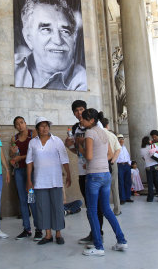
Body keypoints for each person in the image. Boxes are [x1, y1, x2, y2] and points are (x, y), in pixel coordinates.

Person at [15, 0, 86, 91]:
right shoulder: (11, 68)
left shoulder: (82, 81)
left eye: (65, 31)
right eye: (46, 29)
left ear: (74, 39)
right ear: (28, 38)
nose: (58, 41)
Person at [80, 108, 128, 256]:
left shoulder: (89, 133)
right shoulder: (104, 132)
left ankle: (99, 246)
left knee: (92, 211)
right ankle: (121, 241)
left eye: (83, 118)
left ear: (91, 120)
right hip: (105, 174)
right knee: (106, 209)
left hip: (94, 175)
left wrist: (78, 147)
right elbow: (109, 154)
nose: (81, 120)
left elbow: (88, 156)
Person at [64, 99, 104, 245]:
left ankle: (98, 233)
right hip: (82, 171)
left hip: (95, 170)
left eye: (81, 109)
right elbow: (77, 151)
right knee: (89, 204)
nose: (79, 113)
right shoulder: (75, 128)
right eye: (76, 111)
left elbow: (101, 144)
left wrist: (79, 144)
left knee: (98, 205)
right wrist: (69, 146)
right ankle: (94, 232)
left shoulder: (95, 125)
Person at [26, 117, 71, 245]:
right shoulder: (33, 143)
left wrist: (69, 175)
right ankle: (47, 235)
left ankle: (58, 234)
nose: (45, 128)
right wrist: (29, 180)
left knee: (57, 207)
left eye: (47, 126)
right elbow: (29, 161)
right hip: (39, 181)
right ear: (37, 128)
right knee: (42, 208)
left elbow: (64, 159)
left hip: (55, 180)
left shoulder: (56, 141)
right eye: (42, 126)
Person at [10, 116, 42, 241]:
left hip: (31, 171)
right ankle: (26, 229)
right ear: (15, 127)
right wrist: (13, 155)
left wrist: (20, 157)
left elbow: (35, 153)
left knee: (31, 198)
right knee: (22, 200)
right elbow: (12, 155)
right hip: (19, 170)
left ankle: (38, 229)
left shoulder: (32, 134)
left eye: (22, 122)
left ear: (25, 123)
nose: (20, 125)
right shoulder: (14, 138)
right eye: (17, 124)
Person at [100, 117, 122, 215]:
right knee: (114, 187)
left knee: (102, 187)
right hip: (112, 163)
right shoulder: (112, 135)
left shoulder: (98, 134)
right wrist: (113, 160)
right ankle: (117, 209)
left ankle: (104, 209)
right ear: (107, 125)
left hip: (101, 163)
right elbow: (118, 149)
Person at [141, 136, 158, 202]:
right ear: (148, 141)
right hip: (155, 165)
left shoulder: (142, 149)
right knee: (157, 181)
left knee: (150, 182)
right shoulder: (153, 146)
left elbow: (143, 158)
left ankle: (150, 197)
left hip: (148, 166)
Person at [116, 134, 133, 204]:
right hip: (120, 165)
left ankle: (127, 197)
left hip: (126, 165)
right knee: (121, 182)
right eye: (120, 140)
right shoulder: (116, 147)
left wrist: (129, 163)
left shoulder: (124, 147)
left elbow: (127, 156)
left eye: (122, 139)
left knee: (128, 182)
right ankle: (122, 198)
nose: (122, 141)